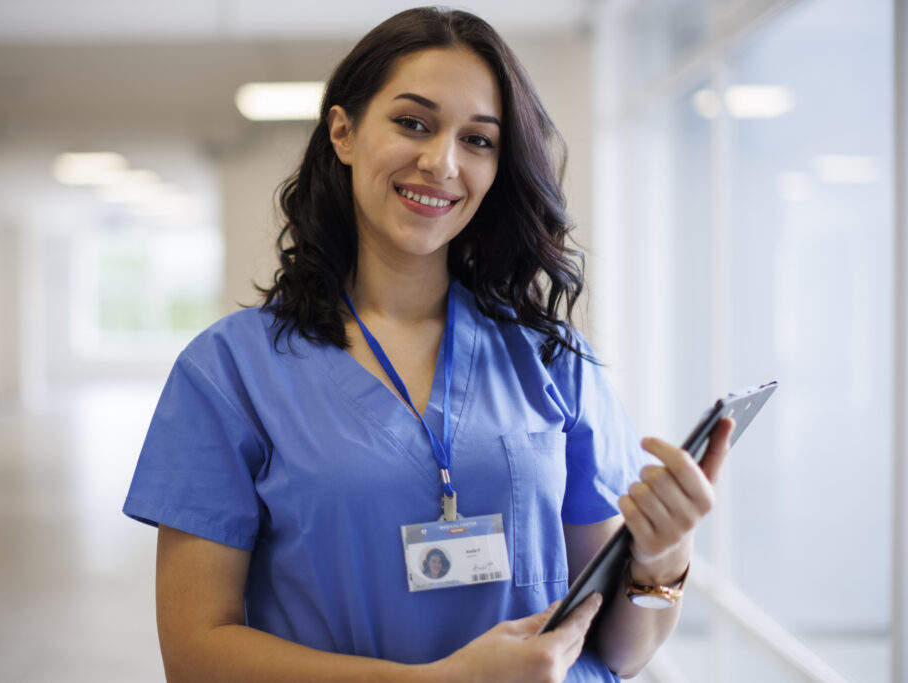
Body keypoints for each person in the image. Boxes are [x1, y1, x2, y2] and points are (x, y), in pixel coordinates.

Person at [123, 7, 734, 682]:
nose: (441, 161)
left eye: (478, 140)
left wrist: (664, 556)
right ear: (344, 131)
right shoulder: (229, 372)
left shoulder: (550, 359)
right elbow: (195, 654)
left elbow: (618, 649)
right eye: (413, 123)